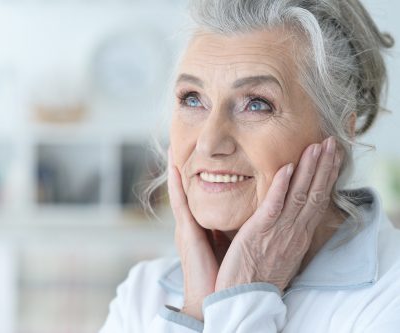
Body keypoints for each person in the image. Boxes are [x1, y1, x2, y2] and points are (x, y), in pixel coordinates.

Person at [99, 0, 400, 332]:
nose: (208, 143)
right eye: (193, 99)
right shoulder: (144, 292)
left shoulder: (391, 294)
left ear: (341, 132)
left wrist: (244, 298)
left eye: (257, 104)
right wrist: (195, 312)